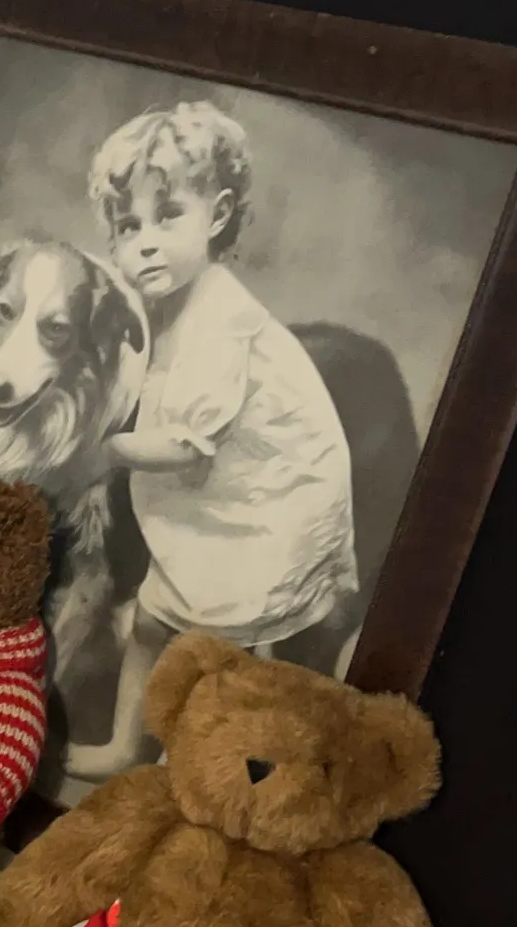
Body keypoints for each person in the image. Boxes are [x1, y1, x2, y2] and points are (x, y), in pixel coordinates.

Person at [66, 100, 356, 780]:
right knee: (151, 623)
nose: (145, 242)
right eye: (128, 225)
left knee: (223, 656)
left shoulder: (219, 320)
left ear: (217, 216)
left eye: (168, 215)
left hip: (269, 508)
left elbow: (184, 446)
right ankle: (126, 747)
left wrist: (106, 450)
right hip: (216, 502)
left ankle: (206, 769)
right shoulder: (161, 310)